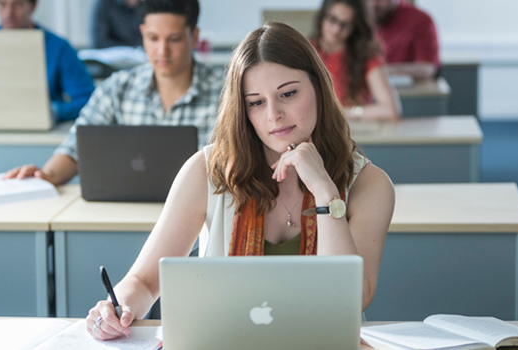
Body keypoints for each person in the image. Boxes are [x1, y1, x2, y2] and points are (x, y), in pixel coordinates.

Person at [84, 21, 395, 341]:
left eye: (288, 93)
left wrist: (325, 192)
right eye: (256, 102)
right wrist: (115, 307)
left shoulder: (369, 184)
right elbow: (145, 282)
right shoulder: (206, 170)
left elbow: (350, 301)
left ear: (318, 88)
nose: (273, 114)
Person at [3, 0, 224, 186]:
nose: (162, 50)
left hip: (201, 215)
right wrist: (46, 175)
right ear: (142, 33)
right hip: (125, 212)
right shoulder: (117, 88)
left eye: (174, 39)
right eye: (153, 38)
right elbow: (76, 147)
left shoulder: (226, 93)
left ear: (194, 37)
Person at [0, 0, 95, 122]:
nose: (8, 13)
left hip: (40, 134)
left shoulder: (59, 48)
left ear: (33, 5)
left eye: (17, 4)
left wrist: (53, 111)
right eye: (1, 4)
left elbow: (88, 99)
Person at [311, 0, 401, 121]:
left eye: (345, 25)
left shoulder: (366, 55)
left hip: (348, 131)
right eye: (332, 19)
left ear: (356, 27)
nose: (336, 29)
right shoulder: (304, 49)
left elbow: (391, 111)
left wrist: (345, 112)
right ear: (322, 15)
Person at [363, 0, 440, 80]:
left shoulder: (421, 20)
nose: (373, 4)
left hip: (407, 89)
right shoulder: (357, 19)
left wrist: (383, 71)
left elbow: (427, 68)